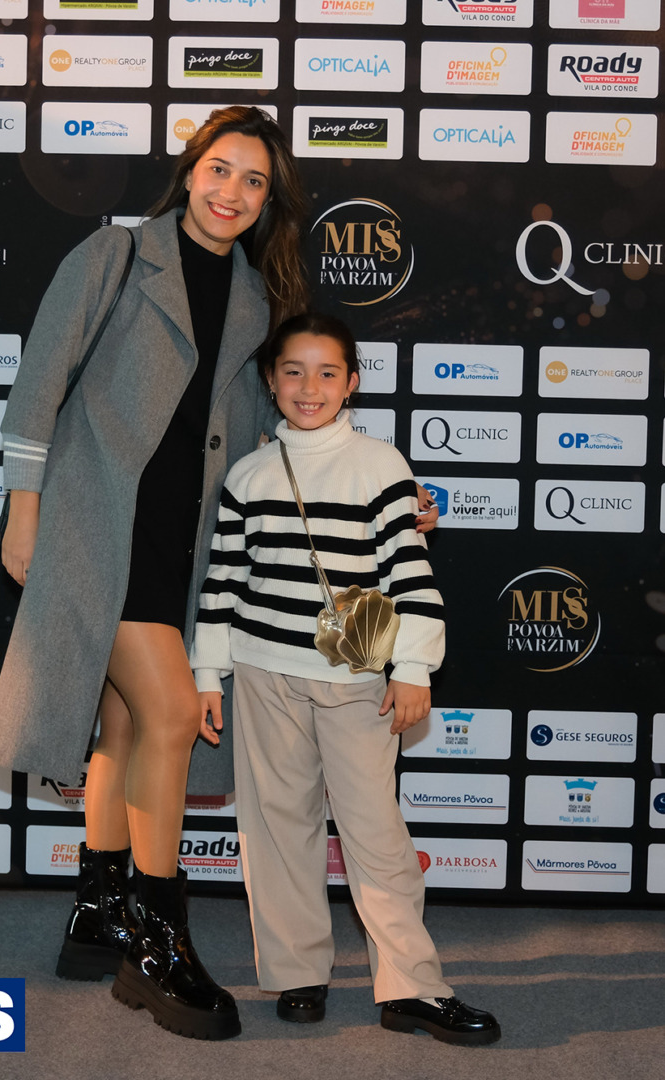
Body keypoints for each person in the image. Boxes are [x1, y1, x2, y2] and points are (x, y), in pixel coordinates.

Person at [0, 106, 312, 1041]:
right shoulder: (116, 255)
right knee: (169, 714)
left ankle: (97, 911)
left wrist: (373, 492)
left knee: (125, 723)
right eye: (221, 169)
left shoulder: (253, 297)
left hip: (184, 544)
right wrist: (24, 510)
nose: (233, 192)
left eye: (254, 181)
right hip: (97, 527)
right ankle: (157, 942)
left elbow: (269, 431)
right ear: (190, 170)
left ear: (267, 201)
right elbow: (39, 382)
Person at [191, 312, 501, 1046]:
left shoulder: (381, 465)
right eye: (293, 371)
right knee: (276, 828)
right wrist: (208, 673)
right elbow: (223, 581)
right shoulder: (248, 475)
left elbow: (409, 573)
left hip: (356, 677)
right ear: (271, 381)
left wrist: (414, 666)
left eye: (327, 372)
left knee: (376, 833)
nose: (310, 387)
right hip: (262, 673)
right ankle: (297, 975)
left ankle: (412, 988)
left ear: (352, 382)